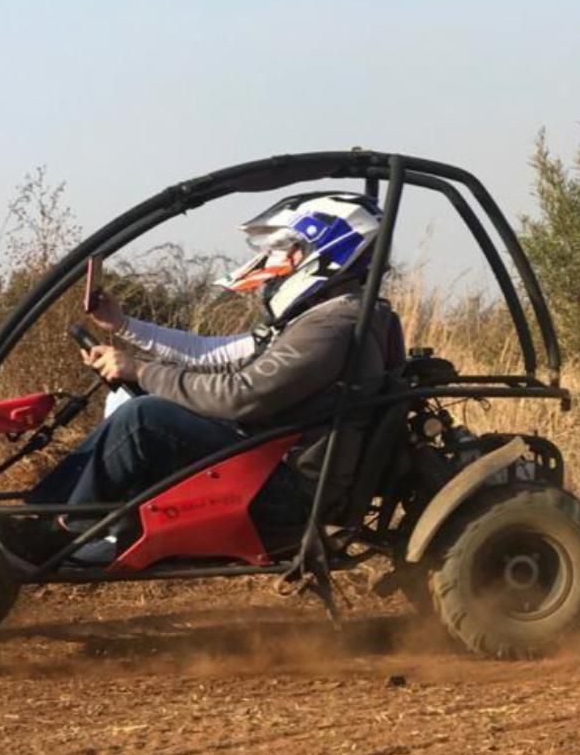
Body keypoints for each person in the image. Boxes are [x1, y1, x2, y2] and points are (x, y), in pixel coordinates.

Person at [33, 192, 394, 565]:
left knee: (143, 419)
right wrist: (124, 329)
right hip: (272, 464)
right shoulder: (330, 317)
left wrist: (141, 370)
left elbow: (240, 395)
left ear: (330, 252)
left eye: (291, 249)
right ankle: (56, 521)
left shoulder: (328, 328)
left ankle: (49, 530)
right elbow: (214, 355)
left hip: (284, 489)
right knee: (145, 401)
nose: (280, 261)